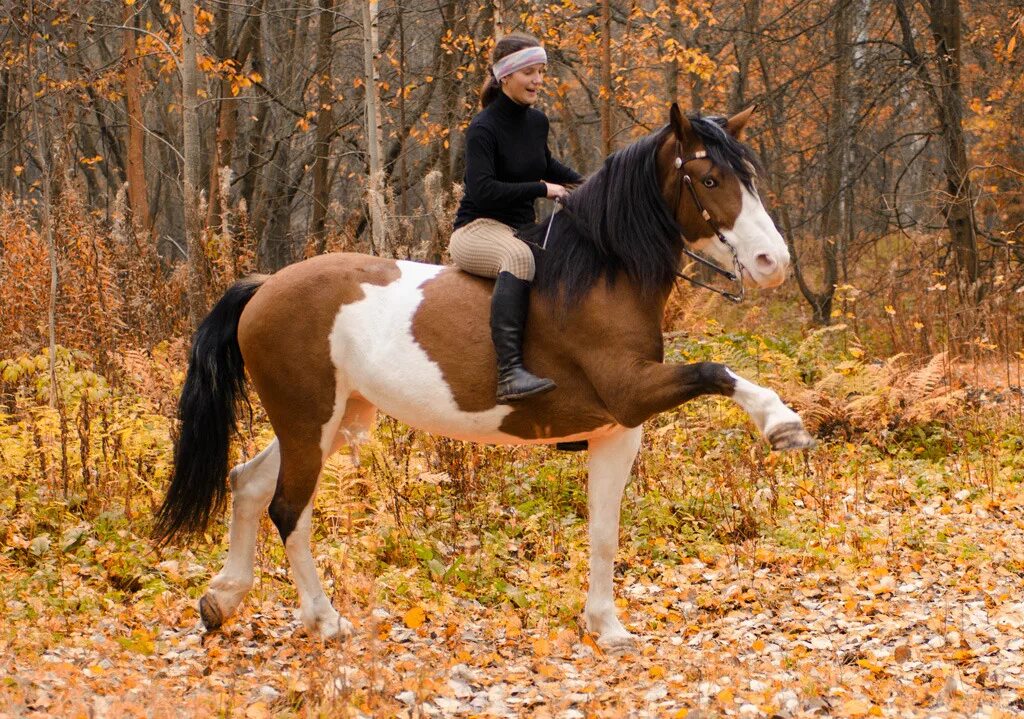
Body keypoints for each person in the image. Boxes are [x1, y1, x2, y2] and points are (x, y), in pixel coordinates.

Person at [449, 33, 583, 403]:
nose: (538, 80)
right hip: (478, 230)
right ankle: (509, 374)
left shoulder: (536, 122)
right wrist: (543, 189)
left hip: (521, 229)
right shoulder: (483, 129)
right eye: (529, 72)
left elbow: (547, 165)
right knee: (519, 258)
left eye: (541, 71)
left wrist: (591, 185)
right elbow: (483, 191)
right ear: (504, 76)